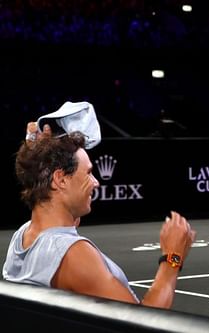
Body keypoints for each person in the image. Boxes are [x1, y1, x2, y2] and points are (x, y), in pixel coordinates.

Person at [3, 121, 196, 309]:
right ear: (60, 179)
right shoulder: (73, 254)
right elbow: (145, 323)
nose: (95, 182)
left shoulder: (22, 236)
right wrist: (172, 257)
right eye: (88, 173)